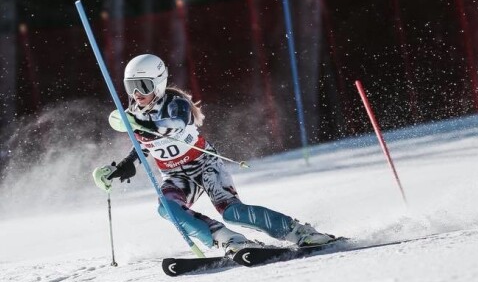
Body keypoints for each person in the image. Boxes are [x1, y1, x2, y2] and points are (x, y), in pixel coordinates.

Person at [93, 54, 335, 255]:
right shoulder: (133, 114)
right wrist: (122, 167)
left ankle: (300, 232)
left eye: (142, 86)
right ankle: (227, 240)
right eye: (130, 87)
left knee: (232, 212)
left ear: (158, 83)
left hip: (204, 164)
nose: (136, 93)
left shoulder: (175, 103)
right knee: (167, 208)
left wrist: (141, 124)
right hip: (176, 176)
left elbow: (177, 123)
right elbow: (143, 145)